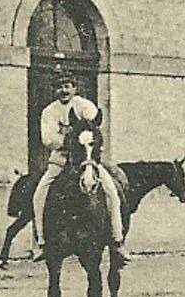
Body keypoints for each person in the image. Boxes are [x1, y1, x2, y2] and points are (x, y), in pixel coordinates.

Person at [31, 69, 126, 260]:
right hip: (60, 159)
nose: (63, 90)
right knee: (39, 193)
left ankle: (117, 240)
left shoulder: (85, 106)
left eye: (67, 86)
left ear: (74, 88)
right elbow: (48, 138)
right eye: (59, 87)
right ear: (54, 90)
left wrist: (82, 141)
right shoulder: (49, 111)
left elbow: (91, 128)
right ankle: (41, 242)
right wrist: (70, 142)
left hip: (86, 159)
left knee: (112, 192)